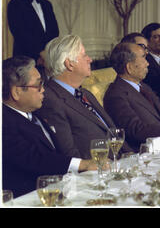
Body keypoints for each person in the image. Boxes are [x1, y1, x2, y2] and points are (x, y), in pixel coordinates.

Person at [2, 56, 97, 197]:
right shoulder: (4, 122)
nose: (43, 90)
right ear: (16, 92)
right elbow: (35, 158)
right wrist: (82, 164)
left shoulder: (35, 113)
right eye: (38, 85)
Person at [35, 35, 132, 159]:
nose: (90, 59)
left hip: (121, 164)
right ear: (69, 64)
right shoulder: (50, 99)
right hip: (94, 173)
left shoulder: (85, 94)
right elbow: (69, 154)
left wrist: (133, 157)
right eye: (84, 55)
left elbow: (112, 133)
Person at [7, 0, 59, 67]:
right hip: (25, 59)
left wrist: (47, 53)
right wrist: (39, 53)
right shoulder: (15, 3)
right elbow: (19, 33)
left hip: (46, 59)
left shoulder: (47, 4)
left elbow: (54, 31)